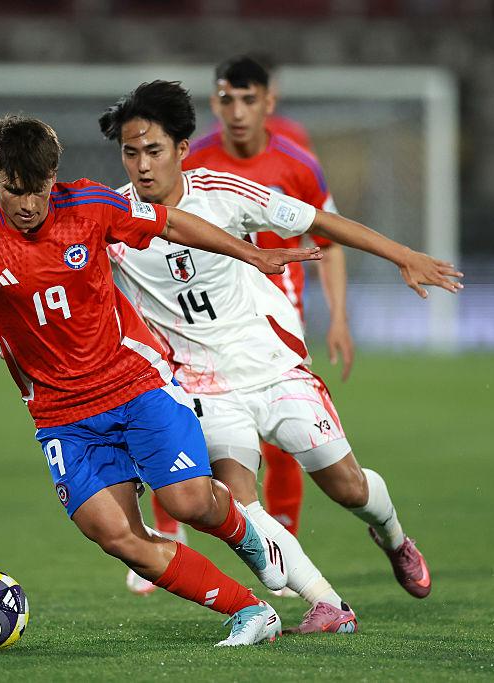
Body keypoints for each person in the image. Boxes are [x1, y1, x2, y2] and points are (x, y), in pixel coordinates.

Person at [0, 114, 324, 647]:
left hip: (133, 385)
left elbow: (170, 222)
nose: (26, 205)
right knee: (117, 535)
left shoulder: (90, 205)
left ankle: (254, 540)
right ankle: (251, 612)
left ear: (55, 178)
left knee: (188, 503)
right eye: (12, 190)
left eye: (37, 190)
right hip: (62, 417)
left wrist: (251, 252)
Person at [99, 81, 462, 633]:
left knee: (349, 488)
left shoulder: (224, 193)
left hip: (270, 367)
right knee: (240, 503)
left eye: (154, 151)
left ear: (182, 150)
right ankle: (327, 604)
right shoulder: (109, 220)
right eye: (131, 152)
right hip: (202, 388)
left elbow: (319, 221)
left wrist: (403, 255)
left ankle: (392, 536)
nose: (143, 166)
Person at [146, 54, 353, 565]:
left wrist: (340, 317)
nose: (235, 111)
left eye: (247, 99)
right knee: (174, 414)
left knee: (286, 442)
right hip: (201, 313)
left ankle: (286, 544)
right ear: (214, 102)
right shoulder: (192, 160)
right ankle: (170, 532)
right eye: (225, 99)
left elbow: (328, 238)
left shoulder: (296, 160)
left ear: (268, 102)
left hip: (278, 310)